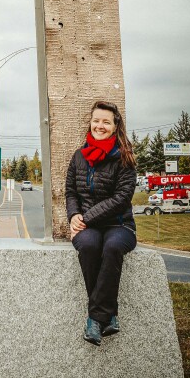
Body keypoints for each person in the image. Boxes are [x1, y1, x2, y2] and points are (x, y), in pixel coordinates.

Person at [65, 99, 137, 346]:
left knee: (112, 247)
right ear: (91, 123)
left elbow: (121, 199)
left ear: (115, 126)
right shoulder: (79, 156)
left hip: (120, 225)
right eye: (96, 120)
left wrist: (85, 217)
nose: (100, 125)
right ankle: (110, 316)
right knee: (88, 246)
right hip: (89, 227)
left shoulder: (125, 158)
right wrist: (74, 215)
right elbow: (70, 192)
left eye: (106, 122)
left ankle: (95, 319)